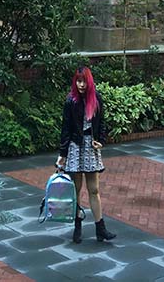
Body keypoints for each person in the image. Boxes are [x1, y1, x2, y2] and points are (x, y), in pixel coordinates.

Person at [56, 65, 116, 243]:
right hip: (75, 146)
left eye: (83, 81)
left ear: (89, 82)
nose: (81, 84)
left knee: (94, 189)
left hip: (91, 147)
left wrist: (101, 140)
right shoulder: (71, 101)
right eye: (78, 81)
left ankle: (100, 228)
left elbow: (101, 123)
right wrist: (63, 153)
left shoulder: (96, 99)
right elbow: (65, 128)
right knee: (76, 189)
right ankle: (77, 225)